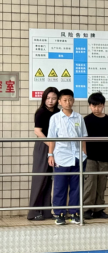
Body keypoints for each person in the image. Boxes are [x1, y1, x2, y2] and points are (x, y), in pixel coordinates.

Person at [47, 89, 88, 225]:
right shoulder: (55, 118)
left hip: (77, 157)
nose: (68, 102)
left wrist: (84, 154)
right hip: (61, 157)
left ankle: (75, 213)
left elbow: (83, 137)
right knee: (60, 186)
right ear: (59, 102)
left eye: (70, 100)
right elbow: (52, 138)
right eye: (65, 100)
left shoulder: (79, 118)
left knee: (77, 187)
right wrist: (50, 155)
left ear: (73, 100)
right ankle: (59, 214)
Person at [83, 92, 108, 220]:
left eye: (99, 106)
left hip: (104, 157)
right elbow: (82, 139)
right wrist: (84, 154)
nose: (96, 108)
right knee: (90, 183)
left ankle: (98, 209)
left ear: (103, 105)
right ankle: (86, 209)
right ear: (90, 106)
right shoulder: (86, 120)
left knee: (101, 183)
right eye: (93, 106)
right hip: (90, 157)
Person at [28, 87, 59, 221]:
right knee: (40, 178)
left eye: (54, 98)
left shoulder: (58, 112)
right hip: (43, 146)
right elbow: (37, 131)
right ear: (44, 99)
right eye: (48, 98)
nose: (50, 101)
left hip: (56, 147)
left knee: (49, 179)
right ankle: (33, 212)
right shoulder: (41, 112)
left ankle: (46, 211)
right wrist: (50, 144)